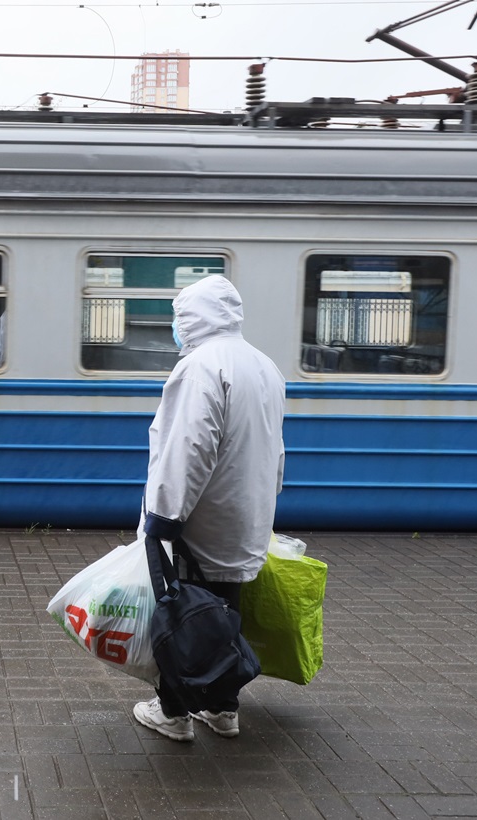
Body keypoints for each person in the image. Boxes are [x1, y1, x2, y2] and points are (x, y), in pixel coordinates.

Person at [132, 274, 285, 742]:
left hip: (202, 516)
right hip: (246, 514)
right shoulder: (264, 365)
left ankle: (174, 712)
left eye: (180, 317)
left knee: (185, 616)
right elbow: (277, 450)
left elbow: (188, 449)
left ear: (193, 318)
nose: (177, 327)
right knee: (223, 612)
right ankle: (222, 708)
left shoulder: (201, 366)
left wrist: (163, 517)